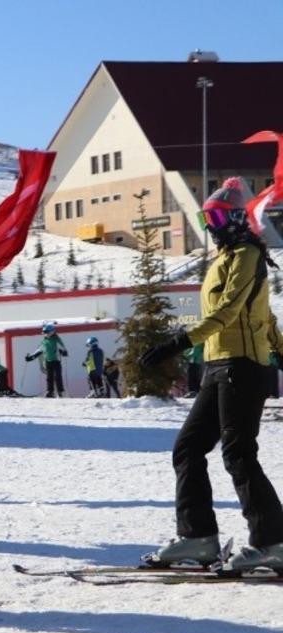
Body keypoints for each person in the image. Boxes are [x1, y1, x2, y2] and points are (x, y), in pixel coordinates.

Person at [140, 177, 283, 571]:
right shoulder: (223, 259)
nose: (211, 228)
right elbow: (263, 315)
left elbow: (232, 312)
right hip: (218, 366)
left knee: (239, 454)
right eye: (207, 220)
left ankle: (273, 541)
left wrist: (178, 342)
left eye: (216, 219)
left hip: (243, 366)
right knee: (187, 448)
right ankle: (198, 537)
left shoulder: (248, 257)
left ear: (235, 218)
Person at [25, 322, 68, 397]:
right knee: (49, 377)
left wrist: (64, 352)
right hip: (48, 361)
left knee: (58, 377)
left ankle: (60, 391)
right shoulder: (44, 341)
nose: (46, 334)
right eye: (44, 333)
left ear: (52, 331)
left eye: (47, 332)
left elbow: (62, 348)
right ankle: (50, 391)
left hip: (56, 361)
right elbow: (39, 350)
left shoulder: (56, 340)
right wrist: (31, 357)